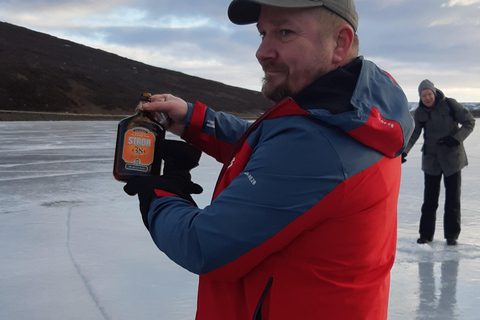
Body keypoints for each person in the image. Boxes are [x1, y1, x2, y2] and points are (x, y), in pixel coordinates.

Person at [123, 0, 414, 319]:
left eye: (284, 32)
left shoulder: (317, 143)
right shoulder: (352, 114)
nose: (262, 51)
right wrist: (195, 121)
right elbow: (277, 147)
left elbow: (205, 245)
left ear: (339, 42)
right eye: (263, 34)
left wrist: (159, 192)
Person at [402, 79, 475, 246]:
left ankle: (452, 235)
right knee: (430, 200)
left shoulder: (450, 105)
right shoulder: (420, 112)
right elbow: (414, 134)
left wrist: (455, 139)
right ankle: (426, 235)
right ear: (420, 97)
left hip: (453, 159)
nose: (427, 97)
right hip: (432, 160)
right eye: (423, 95)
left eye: (429, 94)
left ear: (434, 93)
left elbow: (469, 122)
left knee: (453, 199)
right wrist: (404, 151)